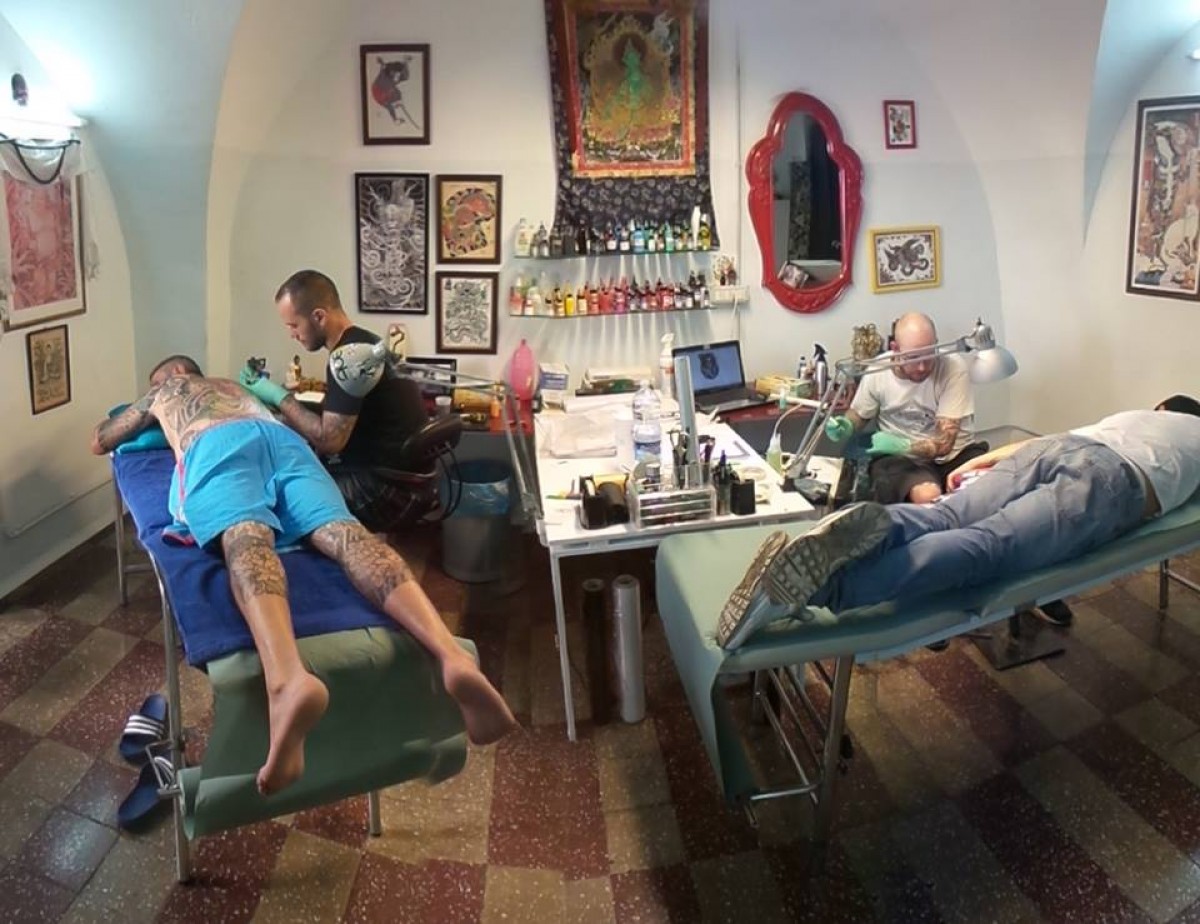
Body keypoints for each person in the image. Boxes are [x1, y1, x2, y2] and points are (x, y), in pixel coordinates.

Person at [92, 356, 518, 795]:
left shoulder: (167, 390)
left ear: (172, 375)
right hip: (284, 442)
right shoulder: (242, 390)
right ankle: (451, 655)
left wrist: (148, 405)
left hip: (215, 443)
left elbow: (102, 440)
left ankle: (287, 681)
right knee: (348, 536)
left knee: (246, 537)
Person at [717, 400, 1200, 650]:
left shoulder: (1133, 416)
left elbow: (1047, 442)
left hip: (1057, 446)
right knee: (986, 545)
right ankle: (822, 588)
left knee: (944, 513)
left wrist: (980, 462)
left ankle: (840, 537)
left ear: (1161, 407)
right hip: (1112, 480)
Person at [240, 269, 429, 532]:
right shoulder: (366, 342)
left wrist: (278, 396)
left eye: (294, 325)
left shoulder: (348, 360)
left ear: (318, 316)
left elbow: (330, 441)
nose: (292, 335)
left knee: (275, 498)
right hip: (404, 480)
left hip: (383, 491)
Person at [824, 312, 985, 506]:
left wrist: (903, 445)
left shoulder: (952, 367)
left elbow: (944, 444)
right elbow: (859, 414)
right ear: (895, 349)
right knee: (927, 495)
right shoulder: (878, 370)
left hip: (955, 455)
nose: (922, 367)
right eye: (914, 358)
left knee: (987, 491)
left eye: (929, 356)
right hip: (903, 461)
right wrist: (847, 425)